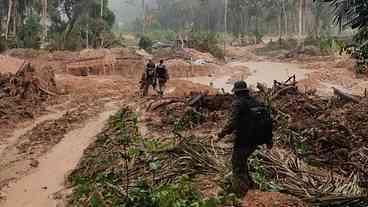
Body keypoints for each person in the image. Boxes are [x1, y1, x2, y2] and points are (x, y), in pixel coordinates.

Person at [217, 80, 273, 197]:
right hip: (257, 140)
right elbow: (268, 122)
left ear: (236, 92)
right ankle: (251, 186)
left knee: (237, 164)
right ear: (246, 91)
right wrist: (269, 140)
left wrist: (220, 135)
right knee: (242, 162)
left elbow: (231, 123)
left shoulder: (238, 104)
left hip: (244, 141)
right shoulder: (256, 102)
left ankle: (241, 194)